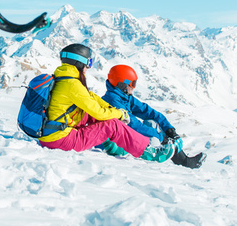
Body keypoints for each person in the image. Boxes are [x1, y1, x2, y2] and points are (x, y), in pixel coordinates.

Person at [39, 44, 182, 163]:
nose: (88, 67)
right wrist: (119, 114)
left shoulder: (65, 79)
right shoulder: (72, 84)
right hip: (61, 140)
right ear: (79, 62)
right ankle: (150, 153)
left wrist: (112, 110)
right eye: (88, 63)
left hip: (53, 135)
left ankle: (114, 145)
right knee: (112, 125)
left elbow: (92, 98)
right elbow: (98, 112)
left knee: (94, 115)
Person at [100, 64, 206, 169]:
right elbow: (135, 126)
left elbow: (149, 112)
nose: (134, 87)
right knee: (154, 136)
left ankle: (182, 160)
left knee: (152, 122)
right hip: (118, 145)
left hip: (129, 138)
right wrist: (162, 138)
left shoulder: (125, 98)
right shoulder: (113, 102)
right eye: (133, 83)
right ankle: (162, 164)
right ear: (123, 84)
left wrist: (169, 129)